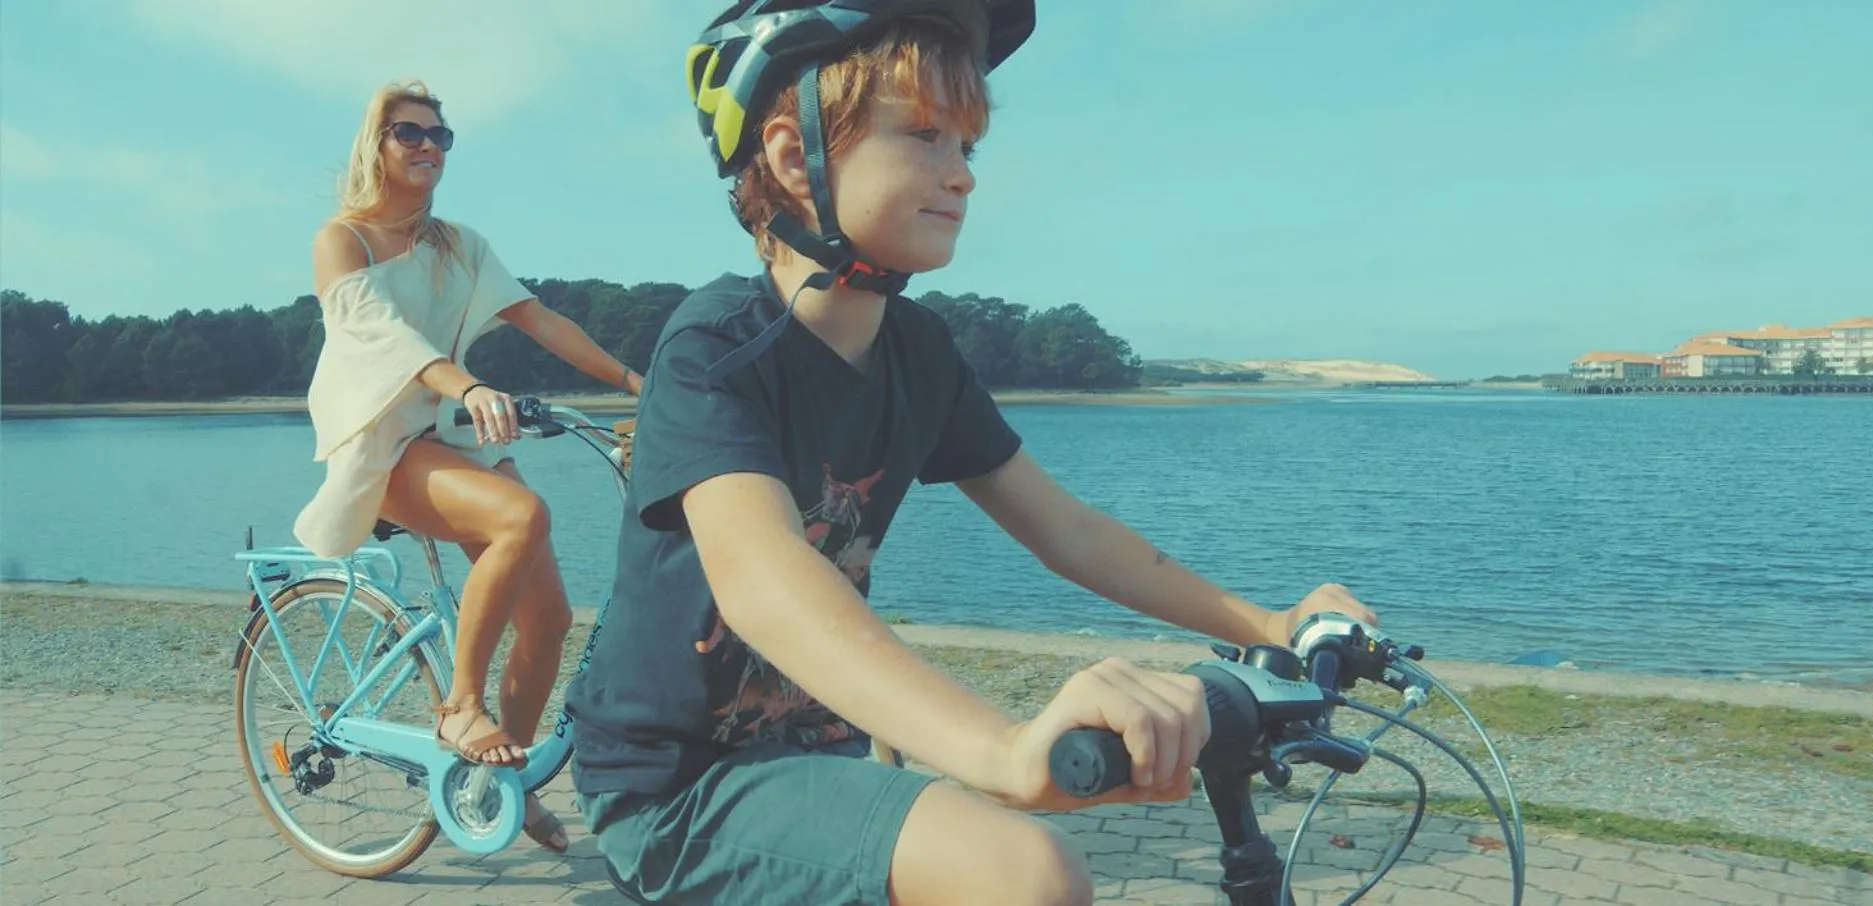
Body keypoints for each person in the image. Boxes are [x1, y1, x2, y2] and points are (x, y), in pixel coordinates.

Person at [562, 2, 1379, 903]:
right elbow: (762, 582)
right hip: (678, 786)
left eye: (968, 146)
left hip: (818, 752)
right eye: (923, 135)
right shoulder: (713, 348)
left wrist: (1267, 625)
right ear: (796, 159)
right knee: (1021, 870)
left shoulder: (918, 352)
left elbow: (1065, 529)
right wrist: (1000, 752)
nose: (962, 177)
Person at [293, 78, 643, 855]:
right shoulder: (340, 240)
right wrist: (470, 383)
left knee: (549, 621)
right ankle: (457, 706)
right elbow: (385, 339)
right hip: (381, 442)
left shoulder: (459, 244)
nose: (427, 147)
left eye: (439, 137)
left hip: (453, 436)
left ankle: (503, 788)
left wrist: (636, 386)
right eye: (409, 133)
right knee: (522, 515)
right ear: (375, 145)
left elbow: (538, 318)